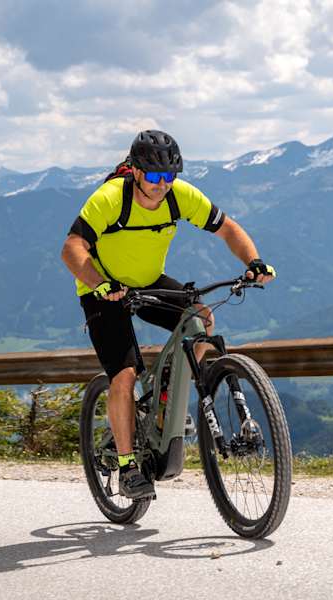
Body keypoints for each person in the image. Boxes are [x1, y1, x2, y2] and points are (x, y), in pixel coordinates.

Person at [61, 129, 276, 499]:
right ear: (136, 171)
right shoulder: (111, 198)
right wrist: (100, 283)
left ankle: (167, 396)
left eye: (170, 176)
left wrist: (253, 261)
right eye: (155, 176)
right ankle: (128, 467)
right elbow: (72, 248)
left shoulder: (179, 195)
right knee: (124, 375)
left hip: (148, 282)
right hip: (103, 290)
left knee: (201, 320)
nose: (162, 184)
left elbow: (227, 229)